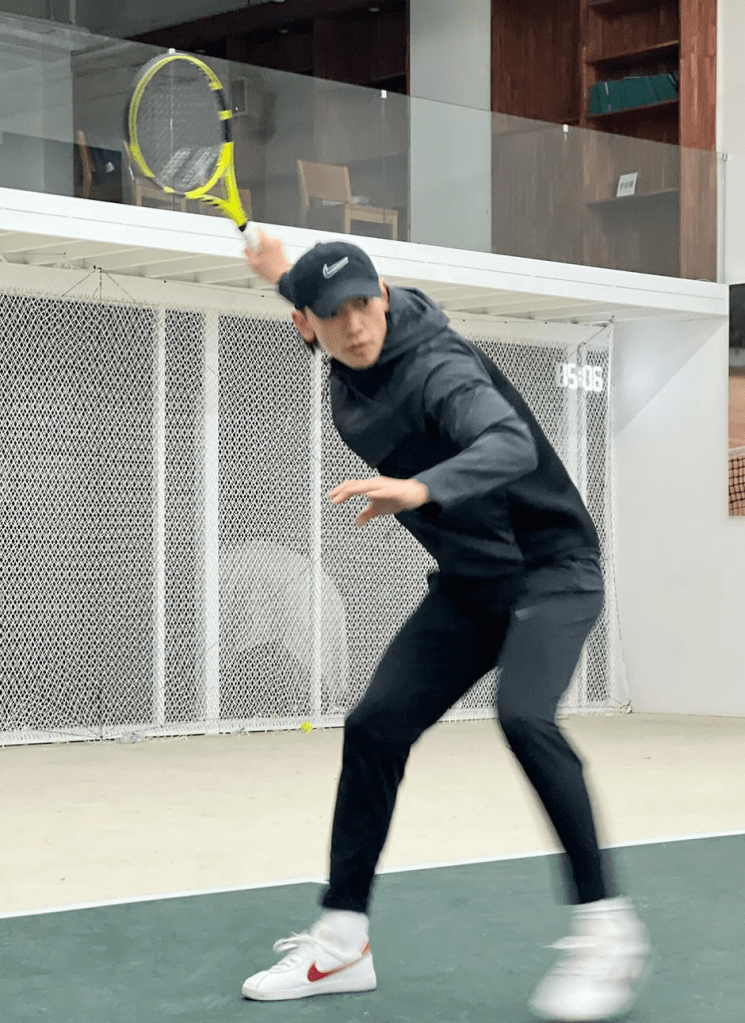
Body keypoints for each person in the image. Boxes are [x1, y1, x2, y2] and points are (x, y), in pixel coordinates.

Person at [240, 231, 650, 1021]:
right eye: (332, 312)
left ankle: (606, 928)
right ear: (305, 324)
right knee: (375, 725)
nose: (354, 324)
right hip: (472, 584)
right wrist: (278, 272)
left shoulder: (437, 366)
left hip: (551, 569)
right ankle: (342, 942)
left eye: (363, 304)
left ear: (383, 297)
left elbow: (507, 442)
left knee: (524, 716)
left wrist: (421, 489)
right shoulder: (335, 344)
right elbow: (304, 292)